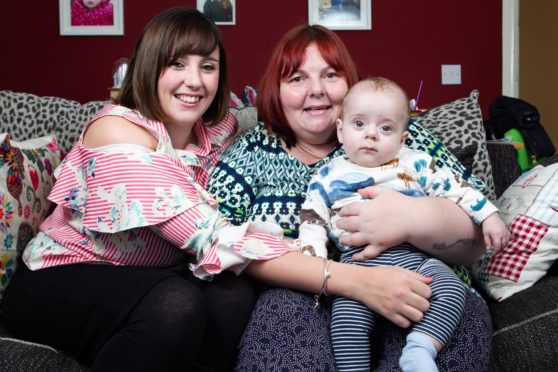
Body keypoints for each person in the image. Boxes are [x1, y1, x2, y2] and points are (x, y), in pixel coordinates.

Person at [2, 7, 293, 372]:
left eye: (207, 66)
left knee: (231, 295)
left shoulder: (215, 132)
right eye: (177, 64)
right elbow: (213, 238)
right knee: (177, 301)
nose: (195, 81)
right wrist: (346, 279)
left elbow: (281, 117)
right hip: (61, 275)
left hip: (144, 278)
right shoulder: (117, 131)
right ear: (149, 67)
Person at [207, 25, 493, 371]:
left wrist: (411, 219)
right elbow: (214, 241)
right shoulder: (252, 151)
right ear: (277, 91)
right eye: (297, 78)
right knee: (280, 314)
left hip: (424, 292)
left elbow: (482, 233)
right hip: (307, 303)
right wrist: (354, 281)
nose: (316, 90)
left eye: (331, 74)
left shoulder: (401, 134)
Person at [298, 77, 510, 371]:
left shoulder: (416, 163)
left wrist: (488, 215)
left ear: (402, 139)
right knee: (346, 323)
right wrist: (314, 261)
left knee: (451, 288)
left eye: (385, 128)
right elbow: (312, 221)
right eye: (359, 124)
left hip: (417, 261)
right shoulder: (327, 175)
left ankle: (421, 348)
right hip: (357, 266)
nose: (371, 134)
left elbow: (459, 189)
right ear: (341, 129)